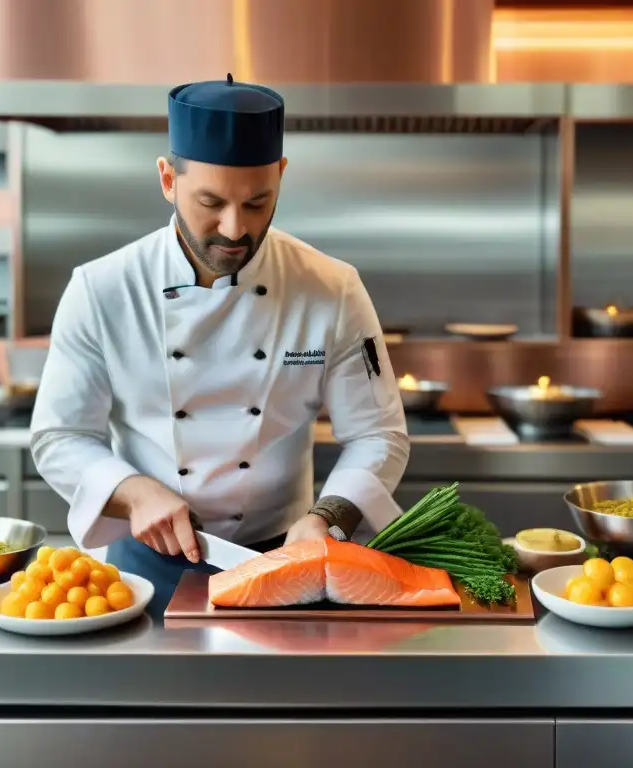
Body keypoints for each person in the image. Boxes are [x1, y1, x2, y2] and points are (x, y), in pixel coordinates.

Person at [30, 74, 410, 612]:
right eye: (210, 202)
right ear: (168, 179)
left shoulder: (331, 287)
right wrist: (133, 492)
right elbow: (58, 436)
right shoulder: (101, 289)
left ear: (280, 175)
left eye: (258, 203)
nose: (234, 230)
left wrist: (330, 517)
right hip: (141, 571)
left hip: (289, 558)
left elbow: (379, 433)